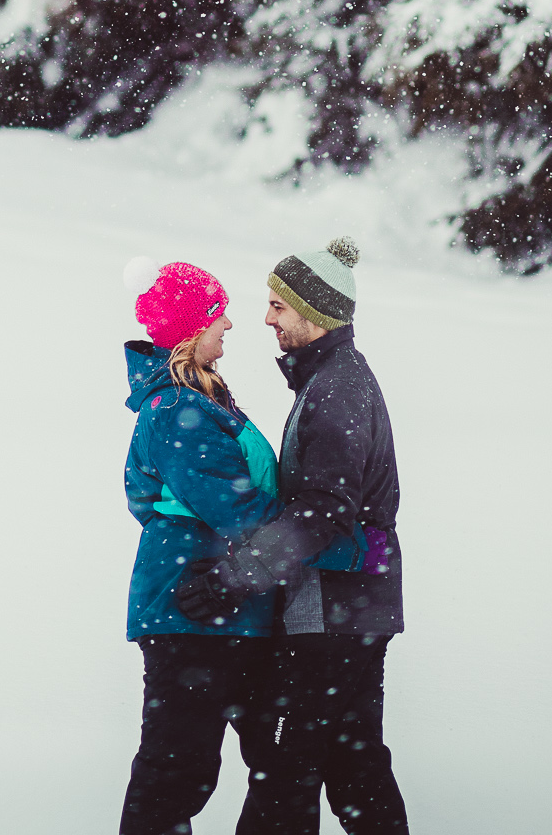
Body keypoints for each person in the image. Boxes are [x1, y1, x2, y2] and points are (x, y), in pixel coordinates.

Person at [120, 259, 368, 835]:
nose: (230, 324)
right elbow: (241, 511)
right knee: (177, 772)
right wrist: (336, 545)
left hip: (235, 613)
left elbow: (167, 500)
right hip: (192, 616)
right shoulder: (178, 409)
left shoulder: (200, 400)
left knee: (280, 766)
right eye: (217, 314)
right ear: (191, 329)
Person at [176, 238, 408, 834]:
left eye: (278, 306)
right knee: (354, 765)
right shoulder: (333, 380)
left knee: (285, 772)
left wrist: (232, 579)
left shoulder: (336, 390)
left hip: (332, 613)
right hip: (353, 609)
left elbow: (322, 513)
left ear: (316, 312)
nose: (266, 318)